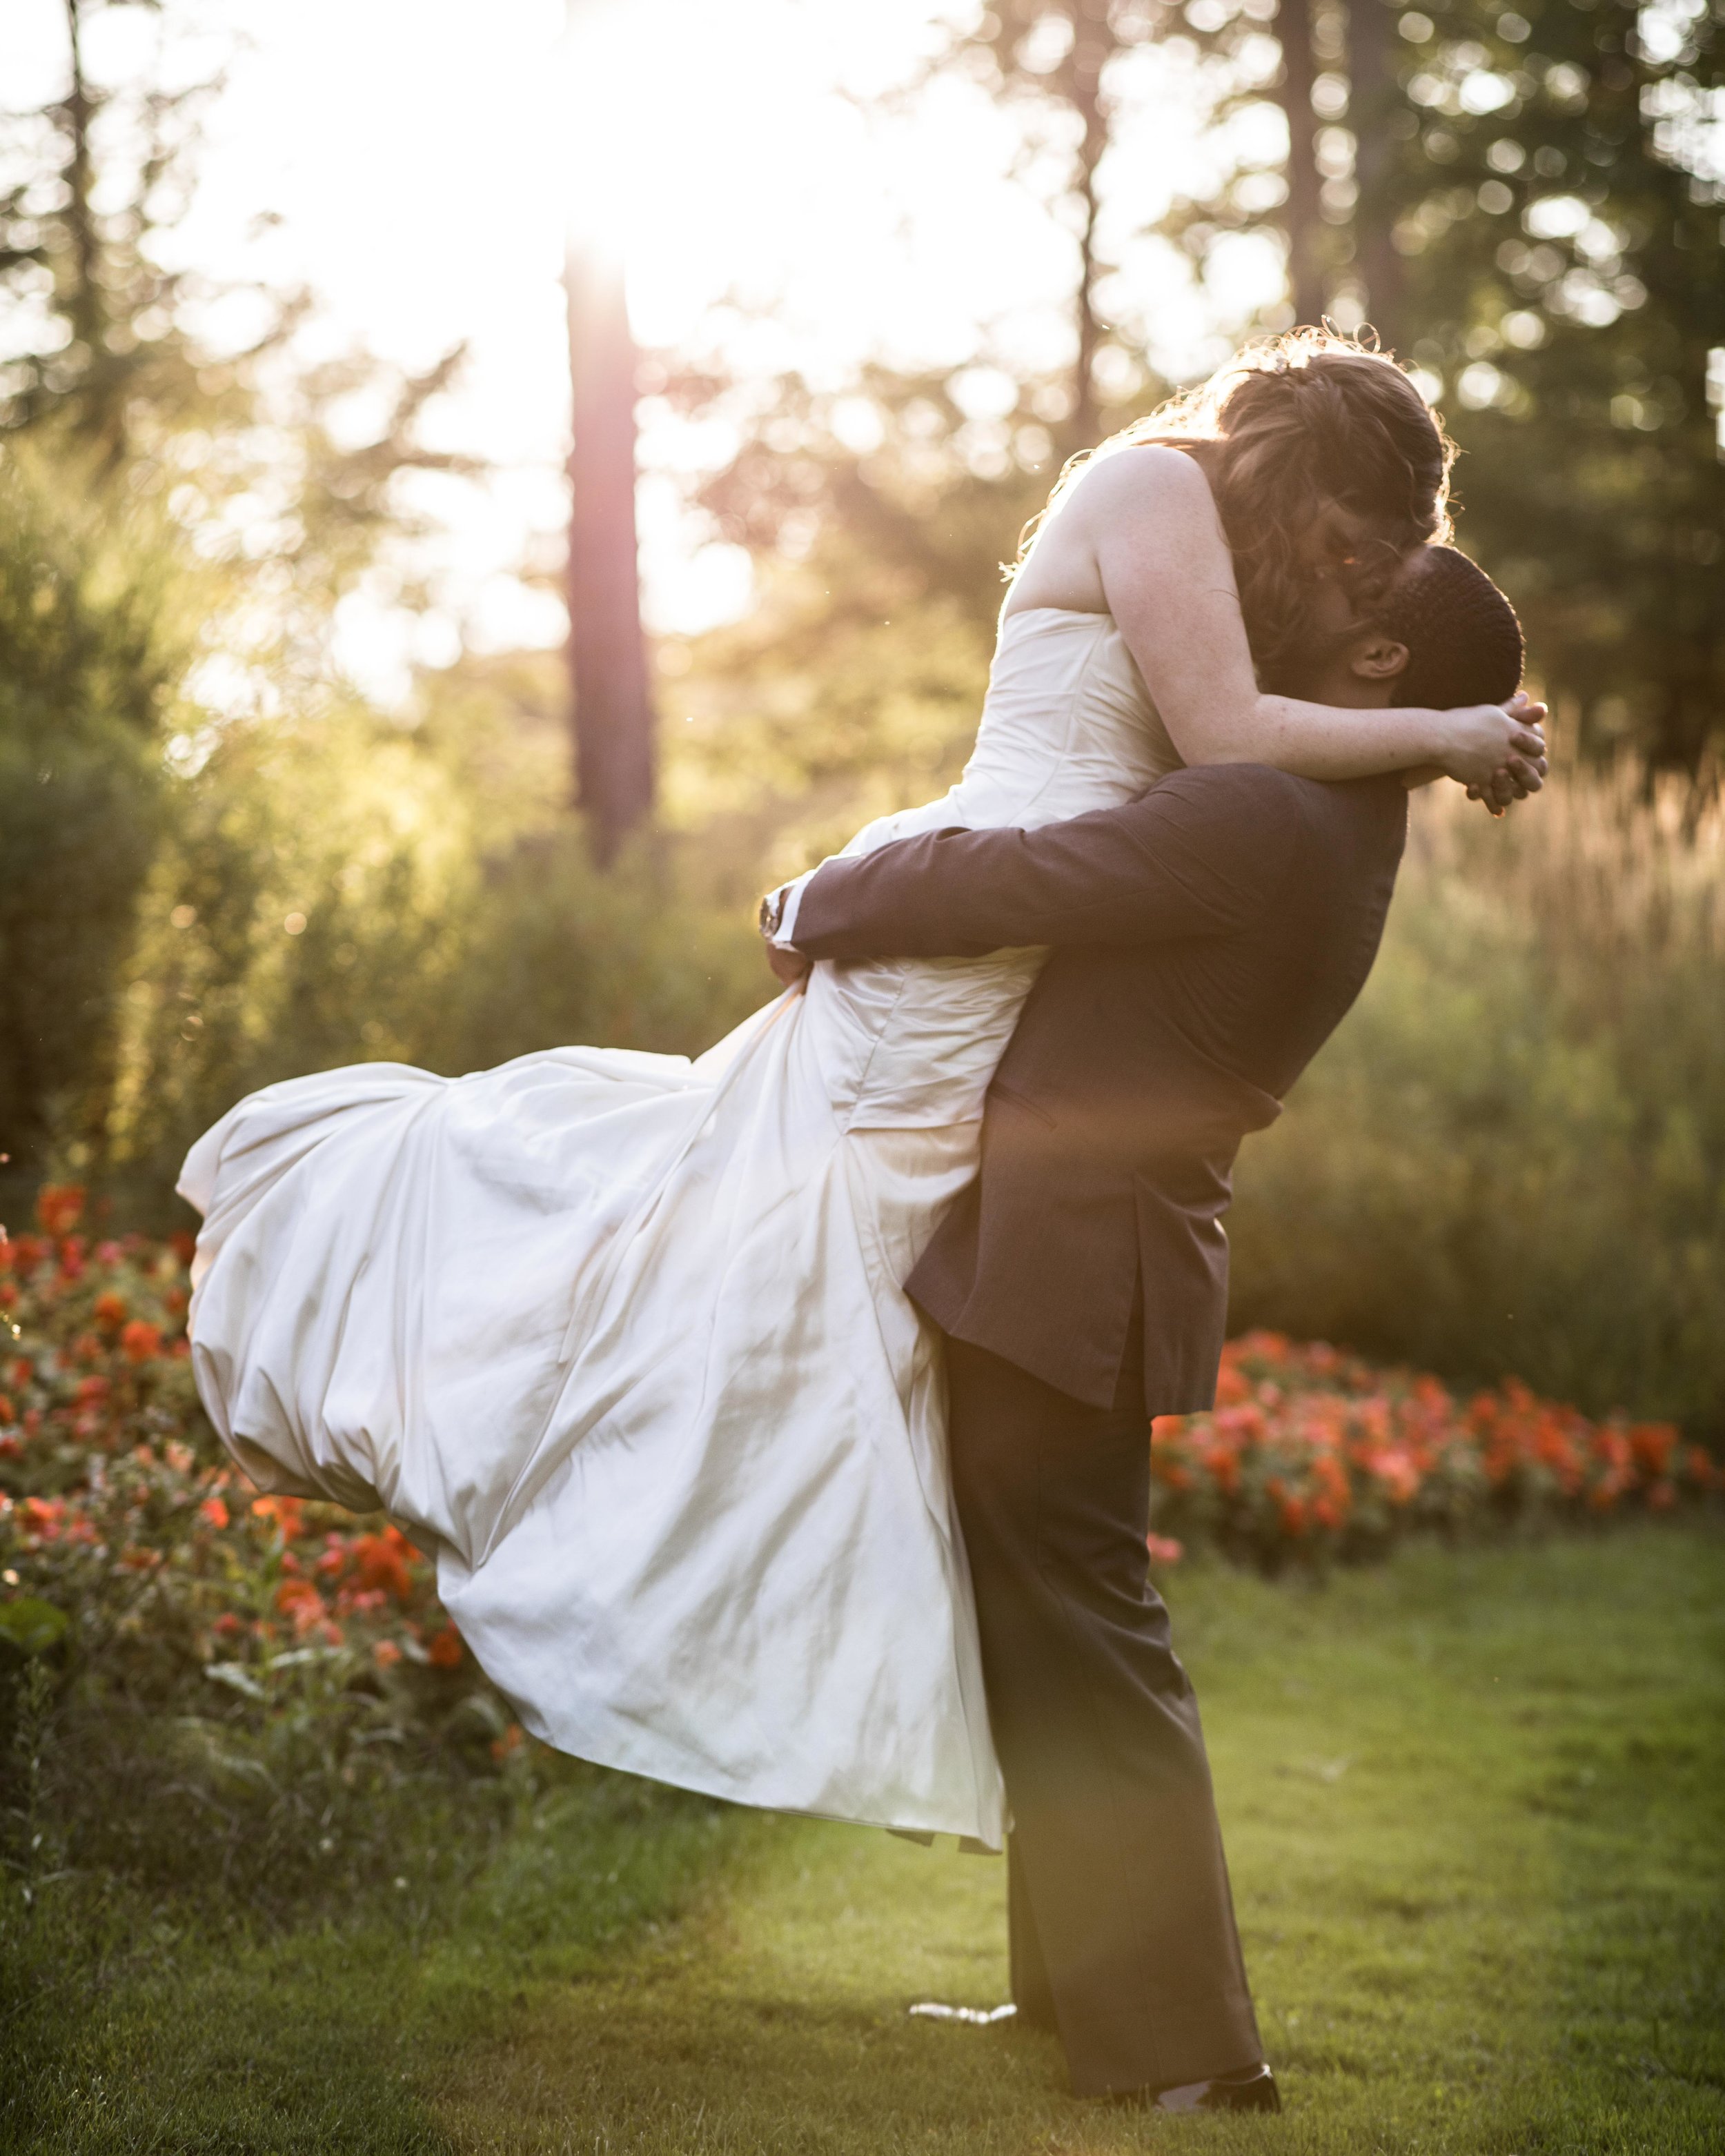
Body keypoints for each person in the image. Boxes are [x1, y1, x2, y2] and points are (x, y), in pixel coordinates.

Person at [178, 332, 1545, 1862]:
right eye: (1363, 547)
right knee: (737, 1241)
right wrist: (1437, 735)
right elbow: (1223, 740)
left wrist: (1418, 727)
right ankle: (493, 1407)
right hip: (972, 925)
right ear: (1313, 472)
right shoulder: (1159, 488)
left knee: (822, 1315)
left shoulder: (1248, 593)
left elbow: (1227, 766)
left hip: (1031, 954)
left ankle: (838, 1696)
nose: (1362, 585)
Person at [762, 542, 1528, 2111]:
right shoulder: (1333, 811)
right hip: (1096, 1246)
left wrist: (812, 894)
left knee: (1086, 1630)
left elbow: (1005, 880)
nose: (1278, 588)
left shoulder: (1263, 807)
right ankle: (1064, 2000)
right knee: (1050, 1625)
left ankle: (1193, 2054)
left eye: (1339, 583)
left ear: (1376, 658)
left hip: (1077, 1254)